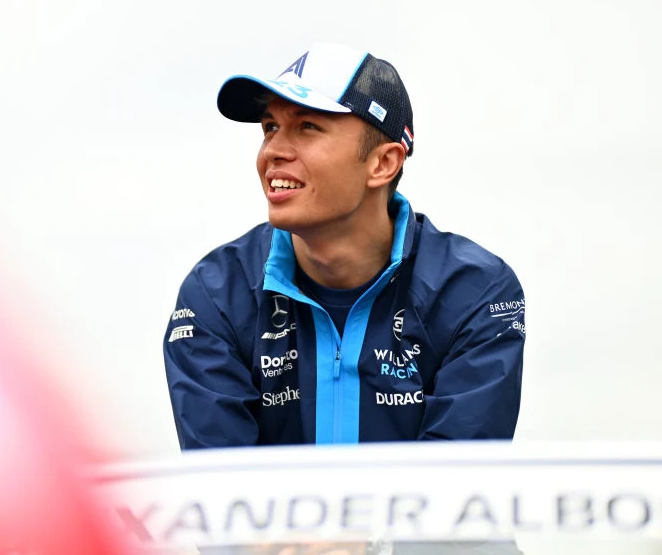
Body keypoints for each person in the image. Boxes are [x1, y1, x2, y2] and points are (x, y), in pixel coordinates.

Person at [163, 42, 526, 449]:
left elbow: (451, 492)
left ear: (383, 163)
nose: (273, 152)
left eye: (307, 127)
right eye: (270, 128)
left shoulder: (474, 291)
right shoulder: (216, 293)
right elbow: (225, 497)